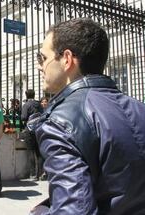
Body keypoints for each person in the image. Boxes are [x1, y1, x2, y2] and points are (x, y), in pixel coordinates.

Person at [29, 18, 145, 214]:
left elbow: (73, 210)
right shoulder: (139, 108)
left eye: (42, 58)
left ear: (67, 59)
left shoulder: (60, 122)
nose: (39, 66)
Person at [20, 89, 43, 180]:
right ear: (34, 95)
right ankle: (40, 174)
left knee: (30, 151)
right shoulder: (39, 104)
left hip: (29, 130)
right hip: (39, 129)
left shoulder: (26, 105)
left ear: (26, 95)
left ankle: (33, 174)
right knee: (39, 152)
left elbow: (23, 117)